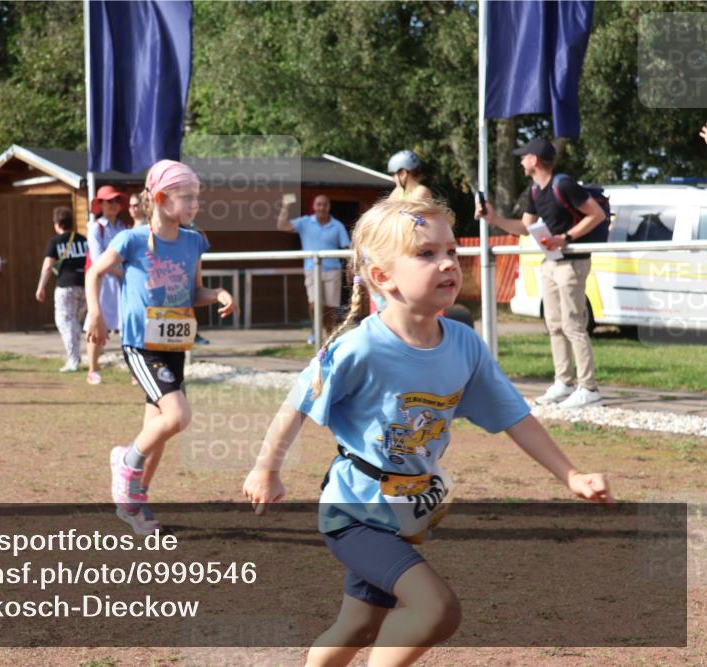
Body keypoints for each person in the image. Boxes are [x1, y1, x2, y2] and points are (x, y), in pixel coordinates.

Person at [243, 197, 613, 667]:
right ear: (382, 276)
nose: (447, 264)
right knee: (436, 608)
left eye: (452, 252)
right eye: (425, 254)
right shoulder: (358, 347)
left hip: (404, 514)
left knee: (358, 626)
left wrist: (571, 475)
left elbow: (515, 415)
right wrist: (265, 469)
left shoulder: (464, 344)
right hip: (353, 513)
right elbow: (295, 405)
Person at [86, 159, 237, 534]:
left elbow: (193, 291)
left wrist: (216, 293)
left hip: (174, 345)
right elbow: (95, 272)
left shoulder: (193, 241)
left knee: (159, 427)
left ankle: (135, 503)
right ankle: (126, 461)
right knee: (178, 417)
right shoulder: (132, 239)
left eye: (196, 197)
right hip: (141, 345)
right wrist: (96, 314)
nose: (194, 204)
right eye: (186, 197)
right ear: (159, 198)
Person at [477, 137, 607, 408]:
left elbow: (595, 215)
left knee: (573, 324)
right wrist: (493, 218)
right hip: (551, 261)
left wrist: (566, 237)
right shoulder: (536, 190)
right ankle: (563, 382)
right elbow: (525, 227)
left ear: (534, 160)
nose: (521, 161)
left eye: (524, 157)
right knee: (554, 323)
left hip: (572, 261)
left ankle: (589, 387)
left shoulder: (564, 184)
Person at [276, 193, 350, 343]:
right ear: (314, 206)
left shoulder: (337, 226)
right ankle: (315, 332)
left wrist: (349, 268)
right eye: (318, 204)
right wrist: (286, 206)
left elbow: (346, 249)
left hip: (333, 271)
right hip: (312, 270)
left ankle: (329, 335)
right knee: (314, 304)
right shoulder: (304, 222)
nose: (321, 208)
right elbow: (281, 226)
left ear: (329, 207)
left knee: (330, 308)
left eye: (324, 204)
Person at [83, 185, 128, 384]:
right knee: (96, 323)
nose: (113, 205)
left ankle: (135, 370)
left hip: (122, 283)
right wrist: (121, 270)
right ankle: (92, 369)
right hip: (101, 282)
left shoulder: (124, 228)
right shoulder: (96, 228)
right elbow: (97, 259)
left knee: (128, 325)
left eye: (116, 201)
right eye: (108, 201)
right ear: (100, 204)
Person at [36, 206, 88, 372]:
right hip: (85, 287)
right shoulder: (83, 240)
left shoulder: (55, 242)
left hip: (65, 286)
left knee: (65, 322)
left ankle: (73, 360)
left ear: (57, 224)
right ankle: (76, 356)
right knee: (75, 323)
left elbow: (48, 266)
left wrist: (41, 287)